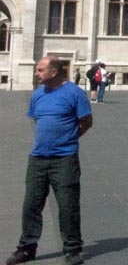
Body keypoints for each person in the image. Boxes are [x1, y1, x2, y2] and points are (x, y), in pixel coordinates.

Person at [6, 56, 92, 265]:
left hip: (64, 158)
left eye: (41, 70)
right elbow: (38, 120)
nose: (37, 73)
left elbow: (86, 122)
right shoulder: (37, 95)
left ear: (53, 72)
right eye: (37, 70)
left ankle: (72, 249)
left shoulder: (75, 93)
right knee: (31, 205)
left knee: (67, 204)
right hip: (38, 158)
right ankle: (27, 248)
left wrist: (68, 139)